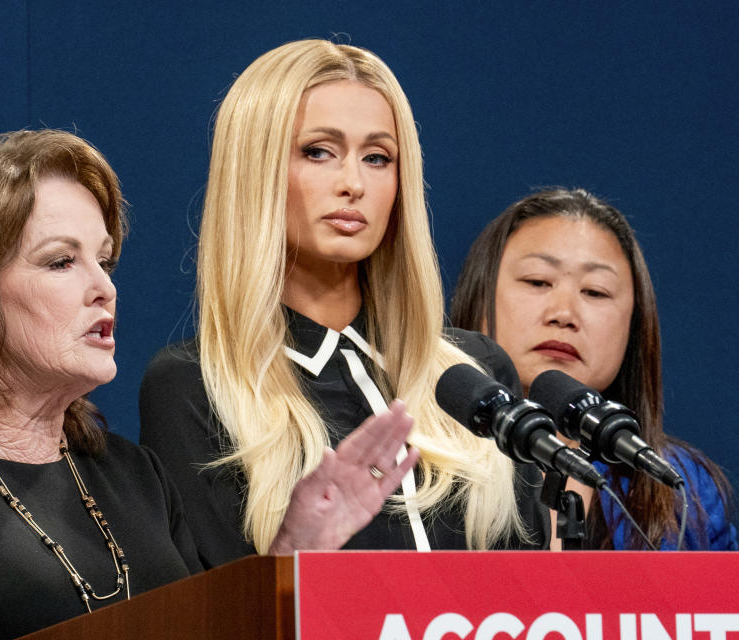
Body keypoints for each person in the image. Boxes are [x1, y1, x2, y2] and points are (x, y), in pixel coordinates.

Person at [0, 129, 418, 639]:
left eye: (104, 259)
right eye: (61, 261)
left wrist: (290, 555)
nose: (103, 287)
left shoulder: (134, 475)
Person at [139, 39, 549, 570]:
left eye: (378, 158)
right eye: (318, 152)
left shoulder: (476, 375)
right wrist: (293, 555)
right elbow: (212, 619)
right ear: (255, 171)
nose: (353, 183)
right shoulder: (194, 386)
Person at [450, 187, 736, 550]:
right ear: (478, 301)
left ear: (634, 328)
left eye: (596, 292)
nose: (564, 314)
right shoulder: (411, 465)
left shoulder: (683, 491)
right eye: (538, 282)